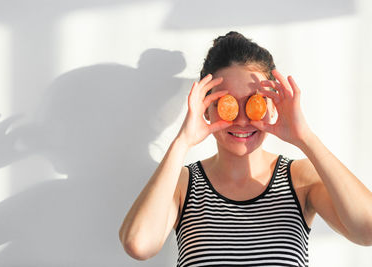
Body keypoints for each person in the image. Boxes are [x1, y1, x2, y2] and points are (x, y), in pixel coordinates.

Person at [119, 32, 372, 267]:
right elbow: (139, 245)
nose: (241, 119)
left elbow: (367, 230)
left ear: (273, 105)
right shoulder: (182, 183)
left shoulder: (300, 178)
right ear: (205, 108)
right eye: (225, 102)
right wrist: (182, 141)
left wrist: (305, 137)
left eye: (255, 102)